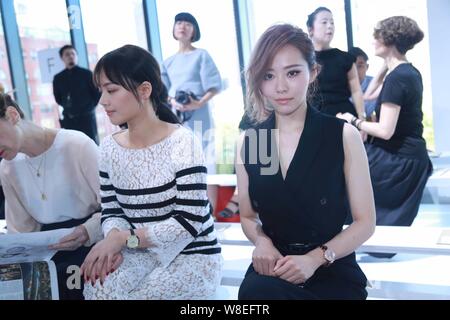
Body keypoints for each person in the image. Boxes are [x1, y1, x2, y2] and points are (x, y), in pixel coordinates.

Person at [236, 24, 375, 300]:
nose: (280, 87)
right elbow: (248, 216)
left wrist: (315, 258)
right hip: (274, 268)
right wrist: (262, 242)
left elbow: (365, 222)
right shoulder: (253, 142)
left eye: (292, 73)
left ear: (312, 73)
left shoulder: (341, 135)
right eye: (268, 75)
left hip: (332, 266)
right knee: (254, 293)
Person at [81, 45, 222, 300]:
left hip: (193, 256)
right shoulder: (109, 148)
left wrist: (123, 240)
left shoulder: (183, 142)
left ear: (144, 90)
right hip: (138, 254)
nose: (103, 100)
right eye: (101, 90)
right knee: (97, 289)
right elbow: (112, 209)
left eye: (111, 90)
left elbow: (188, 221)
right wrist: (113, 237)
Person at [337, 17, 433, 256]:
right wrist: (388, 62)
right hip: (404, 155)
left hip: (398, 159)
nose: (373, 40)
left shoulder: (399, 78)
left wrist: (352, 121)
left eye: (378, 36)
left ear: (390, 40)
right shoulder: (404, 72)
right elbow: (369, 94)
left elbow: (385, 130)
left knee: (345, 178)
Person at [0, 93, 102, 299]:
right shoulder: (8, 167)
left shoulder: (77, 145)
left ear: (12, 115)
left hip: (94, 244)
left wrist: (88, 231)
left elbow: (117, 207)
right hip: (47, 253)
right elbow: (20, 230)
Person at [161, 12, 222, 210]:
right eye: (179, 22)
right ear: (174, 28)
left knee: (206, 158)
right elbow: (163, 90)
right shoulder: (168, 61)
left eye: (188, 23)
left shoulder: (201, 55)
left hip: (200, 113)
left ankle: (210, 212)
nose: (182, 26)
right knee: (182, 160)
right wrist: (173, 102)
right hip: (177, 117)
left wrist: (198, 103)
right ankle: (189, 209)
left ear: (194, 30)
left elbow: (214, 85)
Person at [307, 7, 365, 120]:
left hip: (344, 115)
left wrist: (361, 119)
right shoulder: (304, 59)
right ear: (311, 29)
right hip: (313, 115)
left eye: (332, 22)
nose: (329, 26)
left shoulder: (345, 58)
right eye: (324, 22)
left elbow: (356, 90)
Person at [53, 45, 101, 144]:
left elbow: (97, 94)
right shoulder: (58, 78)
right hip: (69, 119)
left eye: (73, 54)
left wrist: (88, 108)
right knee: (72, 147)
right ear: (62, 58)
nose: (71, 56)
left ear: (76, 56)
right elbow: (58, 99)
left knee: (91, 145)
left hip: (87, 119)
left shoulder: (87, 74)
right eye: (67, 54)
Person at [348, 47, 377, 119]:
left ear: (367, 67)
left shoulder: (376, 85)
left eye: (360, 66)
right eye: (352, 67)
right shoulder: (339, 86)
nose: (355, 71)